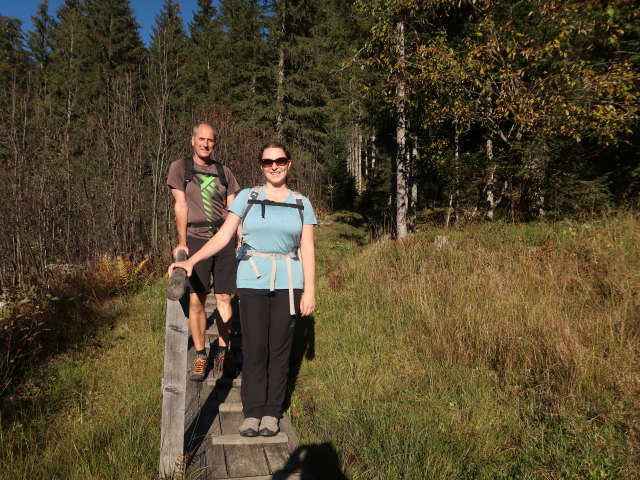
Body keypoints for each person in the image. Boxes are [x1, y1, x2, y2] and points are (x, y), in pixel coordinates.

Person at [168, 141, 316, 437]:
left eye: (280, 160)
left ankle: (272, 412)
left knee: (280, 349)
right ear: (261, 166)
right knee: (254, 346)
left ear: (289, 163)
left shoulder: (301, 202)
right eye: (267, 161)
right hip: (252, 280)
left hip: (289, 282)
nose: (274, 165)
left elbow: (308, 249)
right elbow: (223, 237)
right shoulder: (247, 198)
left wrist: (310, 290)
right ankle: (252, 412)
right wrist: (190, 261)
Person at [166, 122, 241, 381]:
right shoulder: (180, 168)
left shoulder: (224, 172)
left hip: (223, 241)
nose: (206, 144)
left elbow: (234, 212)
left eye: (210, 140)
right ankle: (200, 355)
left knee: (224, 299)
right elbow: (180, 206)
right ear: (193, 140)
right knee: (197, 300)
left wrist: (239, 239)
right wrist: (182, 242)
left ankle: (222, 351)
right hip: (196, 240)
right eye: (201, 139)